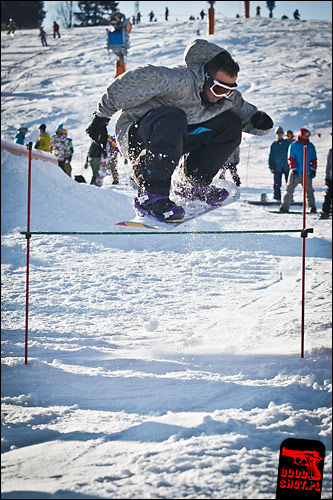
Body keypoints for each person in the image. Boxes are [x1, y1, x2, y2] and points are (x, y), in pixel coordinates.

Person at [86, 38, 273, 222]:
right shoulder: (178, 80)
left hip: (174, 138)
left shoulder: (225, 98)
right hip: (139, 135)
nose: (223, 95)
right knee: (174, 116)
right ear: (205, 78)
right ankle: (151, 195)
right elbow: (132, 82)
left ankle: (192, 183)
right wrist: (101, 117)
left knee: (231, 124)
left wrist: (257, 121)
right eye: (218, 89)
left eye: (229, 90)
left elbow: (243, 110)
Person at [280, 128, 317, 213]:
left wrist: (313, 169)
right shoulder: (294, 145)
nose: (306, 136)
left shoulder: (310, 146)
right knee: (289, 190)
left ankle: (312, 207)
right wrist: (293, 169)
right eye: (305, 134)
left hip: (307, 172)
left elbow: (314, 159)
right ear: (301, 134)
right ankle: (285, 206)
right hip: (295, 172)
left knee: (309, 191)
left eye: (308, 135)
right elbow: (290, 158)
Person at [268, 126, 290, 201]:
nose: (279, 134)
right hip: (277, 167)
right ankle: (277, 198)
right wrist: (271, 167)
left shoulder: (287, 143)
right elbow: (271, 157)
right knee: (277, 184)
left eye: (280, 133)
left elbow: (292, 155)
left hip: (287, 167)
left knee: (289, 184)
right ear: (276, 134)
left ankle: (289, 198)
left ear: (283, 134)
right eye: (278, 133)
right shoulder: (274, 145)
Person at [320, 147, 332, 219]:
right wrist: (327, 176)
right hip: (331, 177)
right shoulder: (331, 151)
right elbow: (328, 165)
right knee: (329, 194)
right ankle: (326, 211)